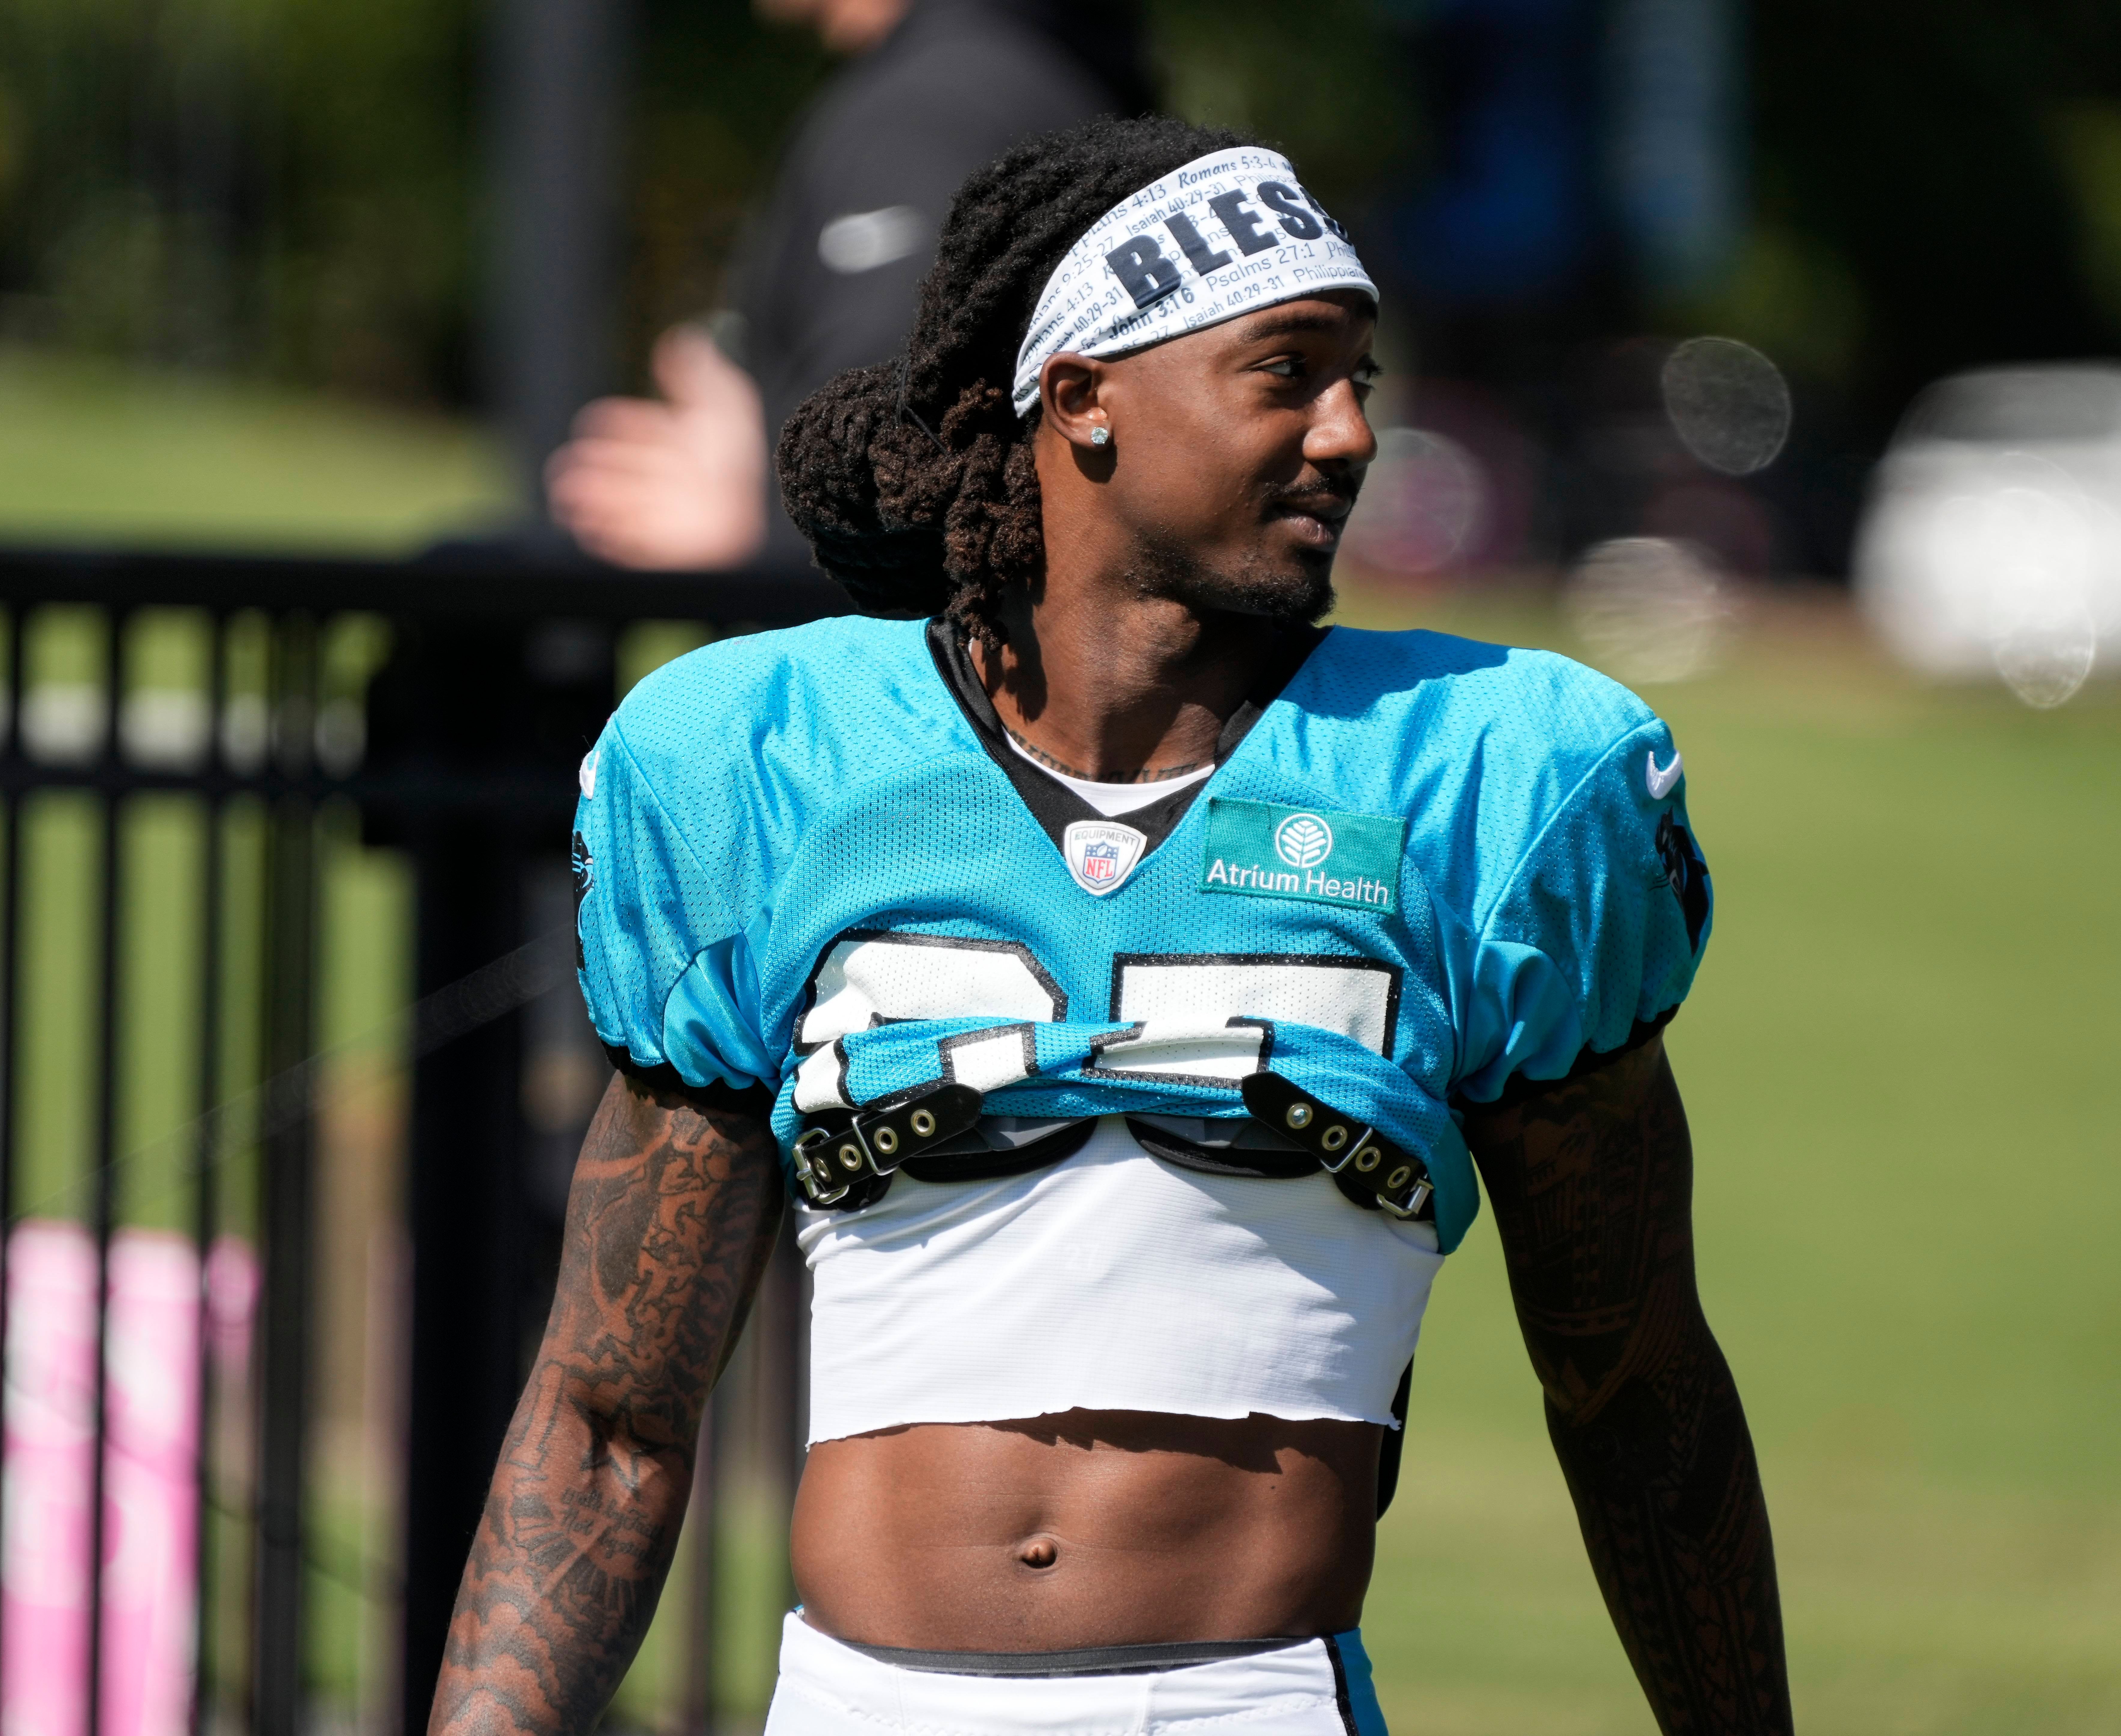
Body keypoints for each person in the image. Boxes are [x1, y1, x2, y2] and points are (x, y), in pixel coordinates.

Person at [436, 115, 1791, 1735]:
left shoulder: (1484, 779)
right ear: (1084, 397)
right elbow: (610, 1419)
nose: (1351, 432)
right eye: (1287, 372)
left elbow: (1634, 1395)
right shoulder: (772, 766)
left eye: (1358, 376)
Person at [546, 0, 1150, 570]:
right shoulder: (1035, 68)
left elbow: (900, 458)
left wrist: (755, 527)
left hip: (891, 639)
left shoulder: (927, 112)